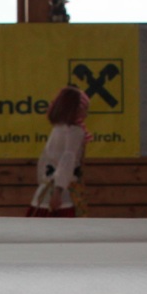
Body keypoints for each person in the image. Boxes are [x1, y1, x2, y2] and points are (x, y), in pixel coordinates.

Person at [27, 85, 90, 217]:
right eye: (85, 109)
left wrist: (44, 182)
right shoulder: (74, 131)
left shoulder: (57, 129)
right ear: (76, 109)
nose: (86, 113)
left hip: (45, 189)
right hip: (63, 194)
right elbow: (67, 160)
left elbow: (43, 161)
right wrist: (58, 191)